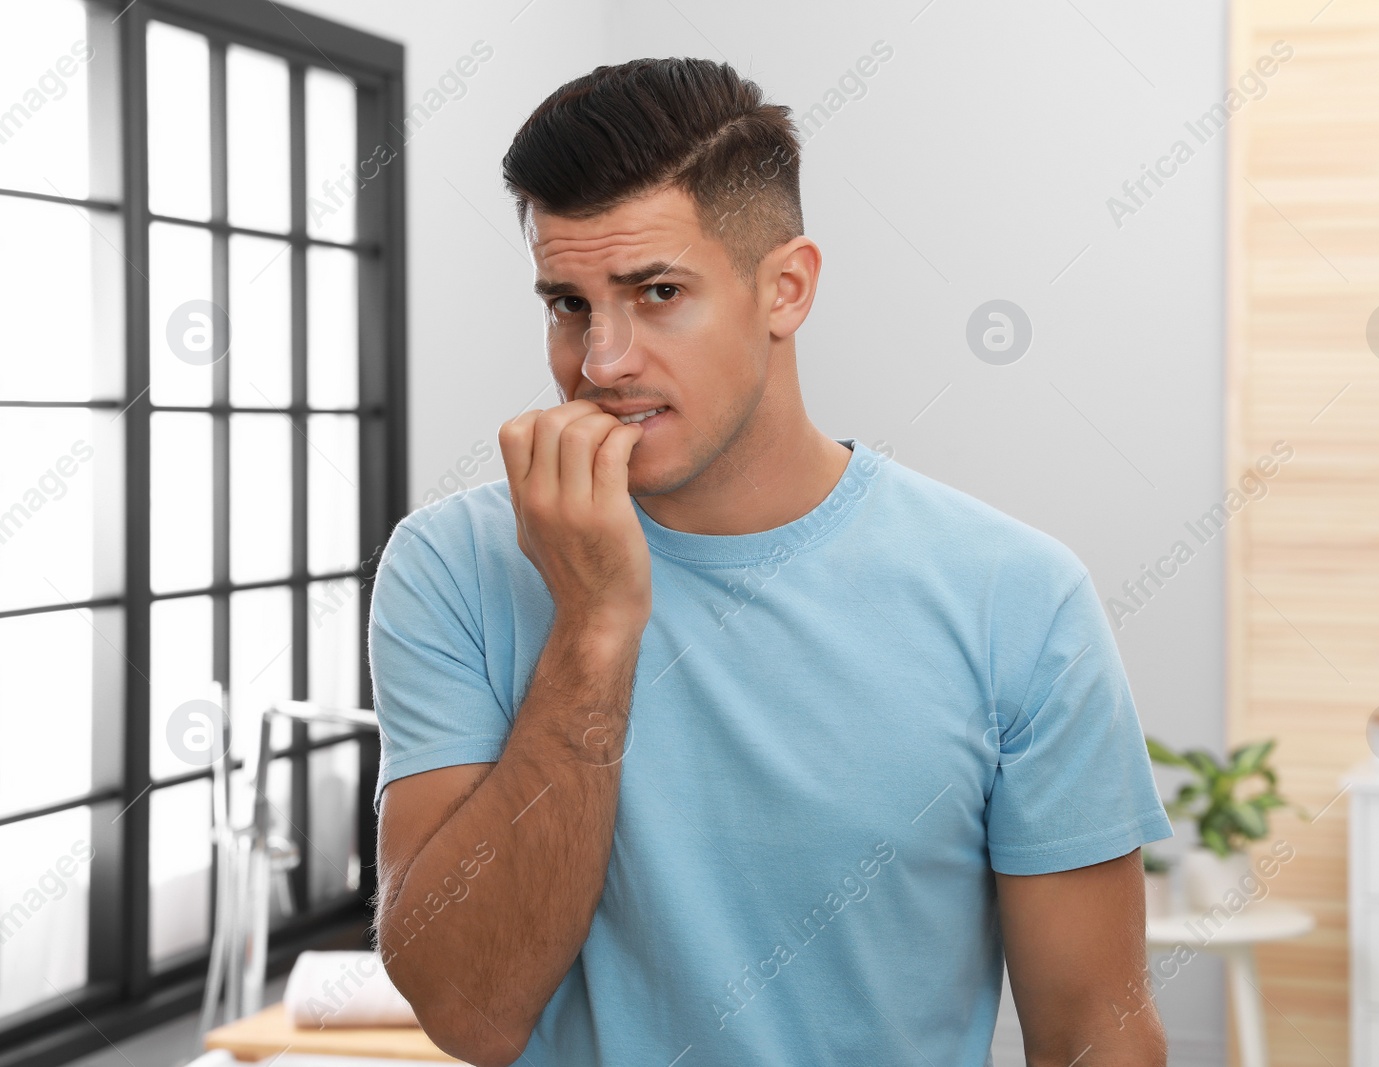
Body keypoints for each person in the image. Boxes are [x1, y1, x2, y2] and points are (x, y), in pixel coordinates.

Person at [369, 56, 1172, 1067]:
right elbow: (469, 1012)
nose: (601, 361)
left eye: (656, 292)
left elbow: (1093, 1035)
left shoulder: (1017, 594)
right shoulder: (451, 566)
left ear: (784, 288)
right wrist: (593, 624)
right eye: (567, 302)